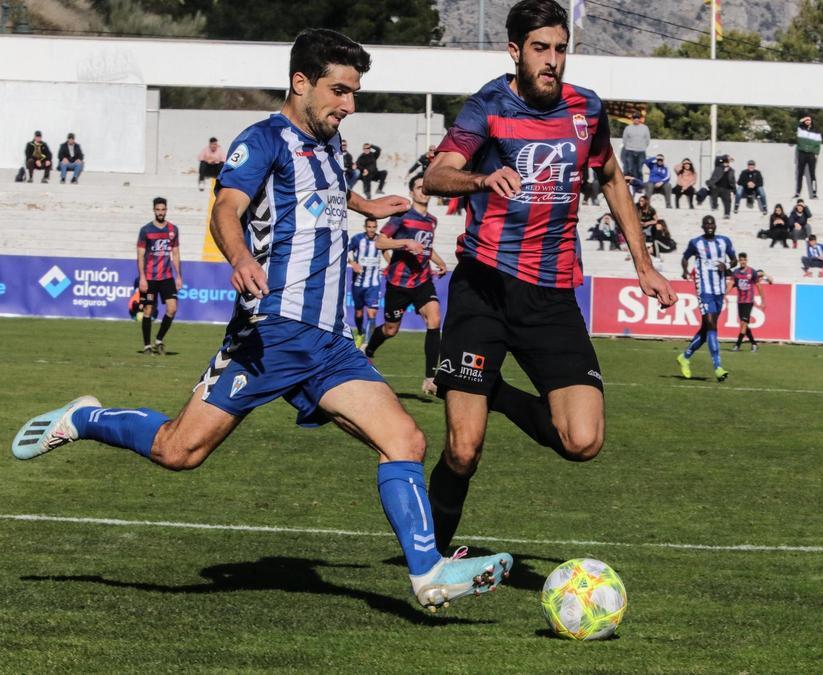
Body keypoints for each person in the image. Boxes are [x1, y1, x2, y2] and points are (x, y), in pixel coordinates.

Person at [11, 29, 513, 611]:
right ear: (300, 83)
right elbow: (227, 207)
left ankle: (427, 573)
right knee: (180, 451)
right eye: (340, 91)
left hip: (330, 343)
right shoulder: (262, 140)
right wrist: (242, 255)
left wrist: (365, 205)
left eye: (354, 93)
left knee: (406, 439)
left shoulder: (330, 145)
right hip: (270, 334)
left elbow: (325, 193)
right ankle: (87, 416)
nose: (350, 105)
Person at [421, 0, 675, 556]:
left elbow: (609, 175)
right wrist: (482, 179)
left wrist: (644, 264)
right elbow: (436, 175)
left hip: (552, 295)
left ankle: (498, 393)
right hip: (483, 289)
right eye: (541, 48)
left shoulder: (587, 110)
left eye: (561, 48)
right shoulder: (487, 106)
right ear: (515, 51)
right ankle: (431, 562)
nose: (553, 60)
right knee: (463, 451)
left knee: (583, 441)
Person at [363, 176, 447, 395]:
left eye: (426, 187)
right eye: (419, 187)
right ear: (411, 192)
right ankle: (369, 349)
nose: (423, 190)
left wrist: (439, 262)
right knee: (391, 330)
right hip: (398, 283)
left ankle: (430, 378)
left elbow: (427, 247)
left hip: (422, 280)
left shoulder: (432, 220)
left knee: (435, 317)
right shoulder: (402, 217)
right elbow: (380, 241)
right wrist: (404, 242)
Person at [677, 215, 734, 381]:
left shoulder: (725, 241)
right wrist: (685, 270)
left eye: (712, 223)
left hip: (719, 290)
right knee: (710, 325)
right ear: (703, 226)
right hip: (704, 290)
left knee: (707, 329)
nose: (710, 226)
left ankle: (685, 357)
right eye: (707, 224)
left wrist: (728, 266)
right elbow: (685, 257)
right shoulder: (696, 243)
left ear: (715, 225)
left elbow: (734, 259)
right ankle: (718, 367)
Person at [136, 197, 182, 355]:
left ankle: (159, 339)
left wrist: (179, 276)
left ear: (166, 210)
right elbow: (140, 255)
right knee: (148, 310)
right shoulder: (146, 230)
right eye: (158, 209)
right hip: (149, 278)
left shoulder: (172, 230)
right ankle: (147, 345)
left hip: (167, 276)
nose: (161, 212)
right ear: (154, 210)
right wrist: (142, 277)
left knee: (172, 308)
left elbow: (175, 253)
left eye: (163, 209)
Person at [347, 218, 383, 348]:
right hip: (358, 283)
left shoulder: (381, 240)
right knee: (358, 313)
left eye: (374, 227)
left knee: (372, 313)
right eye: (369, 227)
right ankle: (361, 333)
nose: (371, 229)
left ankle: (366, 344)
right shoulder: (357, 239)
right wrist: (353, 263)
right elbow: (344, 250)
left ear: (376, 227)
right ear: (365, 227)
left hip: (373, 284)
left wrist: (390, 265)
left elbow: (385, 252)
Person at [729, 252, 767, 352]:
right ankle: (754, 344)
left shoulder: (752, 272)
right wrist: (724, 294)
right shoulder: (736, 272)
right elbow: (731, 284)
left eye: (744, 260)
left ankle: (737, 345)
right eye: (741, 260)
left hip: (748, 301)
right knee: (743, 324)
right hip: (740, 301)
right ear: (739, 261)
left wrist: (763, 300)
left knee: (744, 323)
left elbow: (759, 286)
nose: (742, 262)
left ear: (746, 260)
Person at [794, 115, 820, 199]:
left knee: (812, 174)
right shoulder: (800, 129)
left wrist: (816, 153)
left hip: (811, 154)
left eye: (809, 120)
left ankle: (814, 193)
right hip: (802, 153)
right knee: (800, 174)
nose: (808, 121)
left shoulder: (816, 130)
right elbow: (794, 126)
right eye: (806, 120)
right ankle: (798, 192)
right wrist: (801, 120)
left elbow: (818, 143)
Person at [620, 110, 650, 178]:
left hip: (641, 152)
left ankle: (639, 187)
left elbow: (647, 140)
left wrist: (642, 147)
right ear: (632, 119)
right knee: (630, 170)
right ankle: (630, 187)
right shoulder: (628, 128)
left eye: (638, 117)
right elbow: (624, 139)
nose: (636, 119)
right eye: (634, 117)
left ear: (640, 119)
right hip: (630, 151)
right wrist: (628, 147)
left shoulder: (645, 128)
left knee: (639, 170)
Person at [707, 154, 736, 219]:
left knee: (728, 200)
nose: (726, 163)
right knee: (714, 193)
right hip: (717, 186)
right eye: (725, 162)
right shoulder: (718, 168)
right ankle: (715, 206)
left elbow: (733, 181)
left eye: (728, 162)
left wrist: (734, 190)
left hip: (726, 188)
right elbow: (717, 158)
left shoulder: (731, 170)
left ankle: (727, 214)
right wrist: (726, 157)